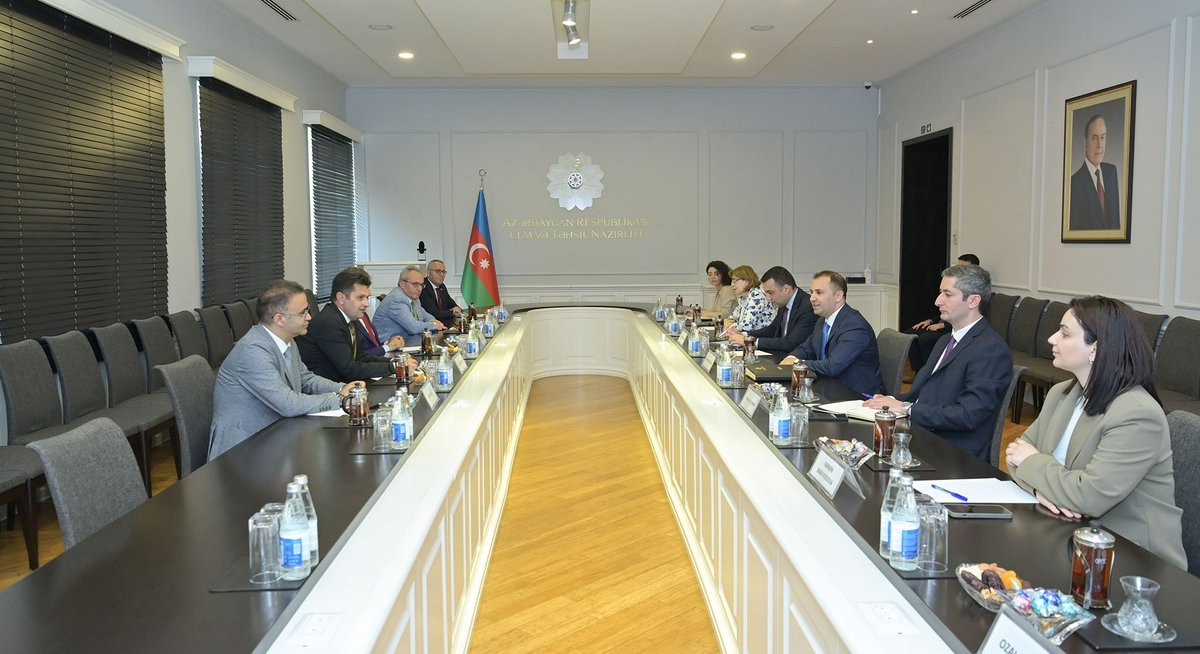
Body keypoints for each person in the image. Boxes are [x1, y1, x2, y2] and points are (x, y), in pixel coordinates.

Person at [1005, 296, 1186, 569]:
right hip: (1069, 533)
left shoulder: (1137, 414)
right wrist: (1040, 489)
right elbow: (1013, 454)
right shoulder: (1061, 393)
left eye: (1065, 333)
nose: (1052, 339)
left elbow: (1088, 497)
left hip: (1133, 559)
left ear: (1096, 349)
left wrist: (1032, 465)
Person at [864, 264, 1013, 461]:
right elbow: (920, 395)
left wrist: (905, 407)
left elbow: (968, 415)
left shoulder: (991, 349)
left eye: (947, 294)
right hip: (923, 434)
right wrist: (887, 401)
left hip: (953, 453)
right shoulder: (945, 341)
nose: (937, 301)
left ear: (973, 301)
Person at [209, 280, 362, 458]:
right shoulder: (252, 350)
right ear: (279, 319)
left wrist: (343, 388)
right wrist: (340, 399)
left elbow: (306, 379)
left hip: (274, 435)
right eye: (303, 313)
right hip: (242, 450)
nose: (309, 317)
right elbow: (288, 404)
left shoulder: (287, 340)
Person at [781, 270, 884, 395]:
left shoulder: (855, 326)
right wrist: (791, 358)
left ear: (838, 296)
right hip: (831, 388)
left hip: (857, 396)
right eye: (811, 292)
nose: (812, 298)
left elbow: (832, 367)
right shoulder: (822, 321)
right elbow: (806, 348)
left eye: (819, 292)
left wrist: (796, 363)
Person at [297, 267, 398, 383]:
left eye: (367, 297)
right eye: (360, 298)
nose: (367, 304)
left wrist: (395, 362)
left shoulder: (348, 317)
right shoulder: (328, 323)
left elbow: (359, 356)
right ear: (341, 298)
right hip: (327, 388)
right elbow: (349, 369)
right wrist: (394, 367)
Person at [906, 254, 981, 371]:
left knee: (925, 339)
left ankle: (928, 371)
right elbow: (947, 311)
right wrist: (930, 321)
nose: (937, 302)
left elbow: (967, 319)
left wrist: (942, 325)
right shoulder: (955, 288)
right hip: (942, 324)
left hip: (949, 328)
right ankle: (919, 372)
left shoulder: (976, 294)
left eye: (947, 294)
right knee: (910, 333)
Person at [728, 266, 815, 356]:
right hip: (780, 354)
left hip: (795, 359)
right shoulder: (783, 302)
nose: (768, 298)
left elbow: (790, 343)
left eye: (770, 293)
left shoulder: (807, 307)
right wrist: (744, 334)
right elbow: (771, 330)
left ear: (786, 289)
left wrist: (751, 342)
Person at [1068, 115, 1121, 231]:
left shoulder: (1111, 172)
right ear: (1085, 143)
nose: (1099, 145)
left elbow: (1116, 222)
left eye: (1102, 137)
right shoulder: (1074, 184)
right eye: (1094, 138)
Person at [375, 265, 445, 345]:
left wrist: (434, 321)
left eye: (421, 285)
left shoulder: (413, 296)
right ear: (402, 284)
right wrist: (434, 325)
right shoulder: (397, 299)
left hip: (406, 341)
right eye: (415, 284)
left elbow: (424, 315)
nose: (419, 289)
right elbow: (414, 328)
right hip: (388, 345)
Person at [727, 265, 775, 333]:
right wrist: (729, 324)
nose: (732, 285)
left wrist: (732, 328)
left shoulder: (757, 295)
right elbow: (733, 318)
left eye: (734, 280)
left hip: (763, 337)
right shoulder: (743, 297)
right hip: (751, 336)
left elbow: (747, 325)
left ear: (747, 280)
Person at [419, 259, 462, 324]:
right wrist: (453, 312)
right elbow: (434, 313)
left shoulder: (442, 286)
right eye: (437, 271)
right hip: (430, 325)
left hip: (444, 323)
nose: (442, 275)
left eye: (443, 271)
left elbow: (452, 304)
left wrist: (457, 309)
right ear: (428, 273)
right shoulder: (423, 287)